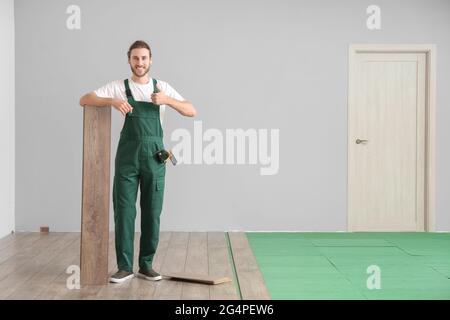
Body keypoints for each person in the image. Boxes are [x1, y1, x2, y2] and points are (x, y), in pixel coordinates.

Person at [79, 40, 196, 283]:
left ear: (150, 60)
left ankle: (146, 265)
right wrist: (112, 101)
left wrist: (167, 100)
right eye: (135, 58)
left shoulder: (161, 87)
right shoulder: (119, 87)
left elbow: (191, 110)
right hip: (127, 160)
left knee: (152, 212)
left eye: (144, 58)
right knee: (124, 211)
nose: (140, 63)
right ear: (129, 60)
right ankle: (124, 267)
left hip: (154, 158)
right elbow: (85, 98)